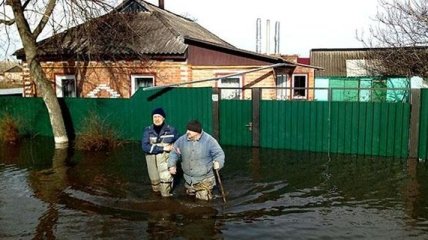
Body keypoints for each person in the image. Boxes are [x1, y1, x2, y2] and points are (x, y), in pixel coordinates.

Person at [168, 120, 225, 201]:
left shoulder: (209, 140)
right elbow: (174, 152)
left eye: (190, 130)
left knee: (203, 202)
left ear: (197, 132)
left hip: (204, 179)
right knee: (190, 199)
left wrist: (218, 163)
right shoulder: (181, 140)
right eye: (187, 129)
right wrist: (172, 165)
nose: (187, 132)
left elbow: (219, 154)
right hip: (188, 179)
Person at [142, 107, 178, 197]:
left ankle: (168, 205)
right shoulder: (147, 130)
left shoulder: (172, 130)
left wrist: (173, 164)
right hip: (151, 163)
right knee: (155, 188)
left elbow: (178, 146)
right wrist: (163, 148)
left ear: (163, 118)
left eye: (159, 116)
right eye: (155, 117)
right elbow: (145, 147)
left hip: (166, 162)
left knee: (166, 189)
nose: (157, 119)